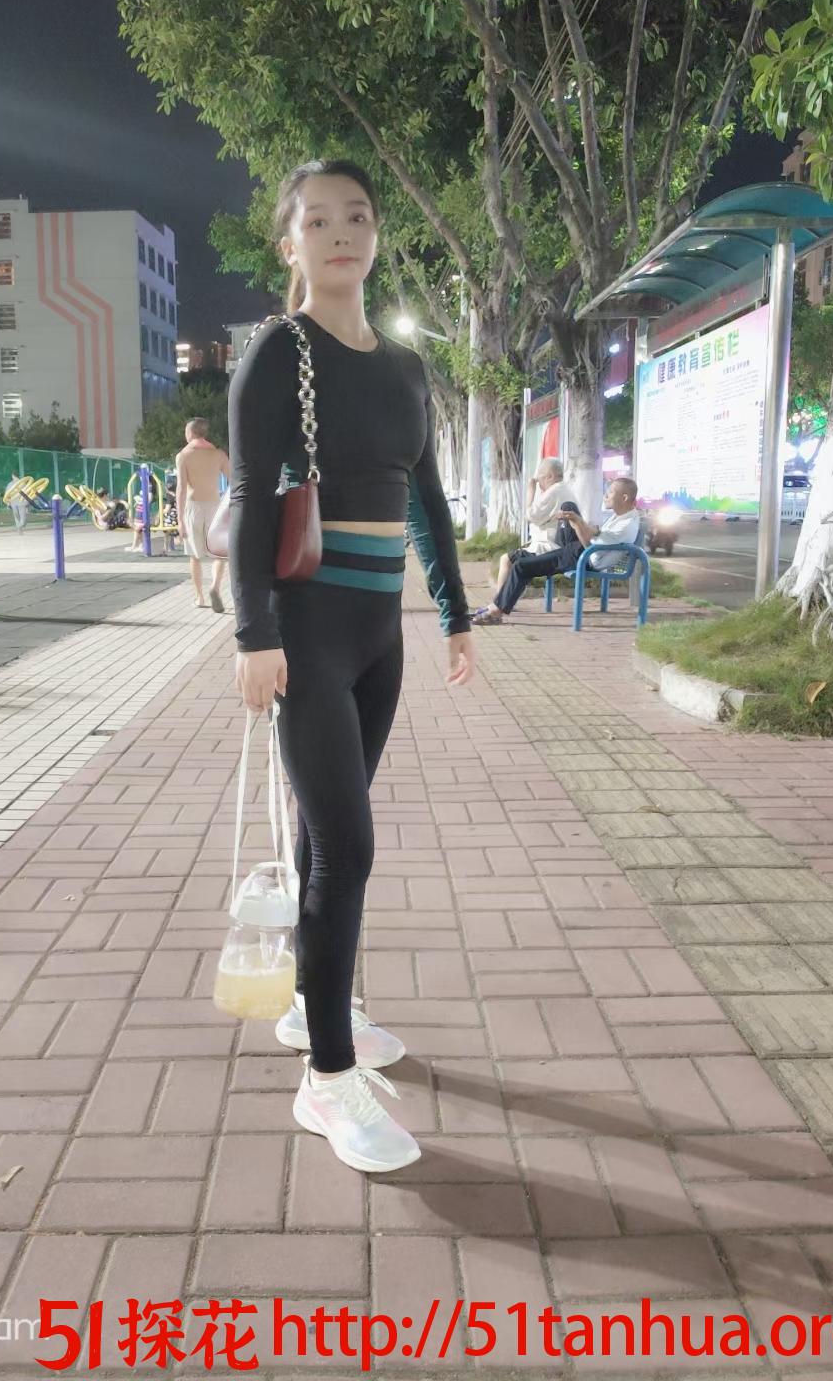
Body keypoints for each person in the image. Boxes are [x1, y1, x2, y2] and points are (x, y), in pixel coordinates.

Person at [229, 158, 476, 1174]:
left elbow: (428, 499)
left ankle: (311, 1006)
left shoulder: (407, 368)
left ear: (377, 235)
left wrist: (456, 615)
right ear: (290, 243)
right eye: (319, 220)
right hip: (306, 636)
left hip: (381, 637)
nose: (341, 233)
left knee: (330, 839)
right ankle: (326, 1080)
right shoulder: (277, 352)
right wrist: (253, 635)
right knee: (349, 847)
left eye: (358, 216)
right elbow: (253, 497)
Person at [472, 476, 642, 624]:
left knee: (521, 566)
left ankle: (496, 611)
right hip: (580, 551)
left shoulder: (626, 525)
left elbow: (590, 548)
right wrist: (576, 522)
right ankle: (497, 605)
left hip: (584, 557)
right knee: (568, 506)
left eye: (611, 492)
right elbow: (594, 538)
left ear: (624, 497)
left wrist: (577, 523)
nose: (606, 495)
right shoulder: (621, 517)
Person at [493, 456, 577, 597]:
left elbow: (530, 515)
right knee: (517, 562)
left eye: (540, 479)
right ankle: (505, 598)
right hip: (559, 547)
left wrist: (530, 491)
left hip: (548, 547)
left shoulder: (554, 491)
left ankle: (499, 601)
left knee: (506, 560)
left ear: (550, 476)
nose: (539, 484)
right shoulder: (565, 489)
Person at [175, 418, 230, 608]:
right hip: (215, 506)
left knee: (195, 555)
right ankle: (215, 586)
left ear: (190, 433)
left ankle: (199, 597)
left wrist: (180, 520)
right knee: (219, 553)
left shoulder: (183, 456)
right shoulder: (218, 454)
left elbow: (181, 488)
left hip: (193, 507)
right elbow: (235, 480)